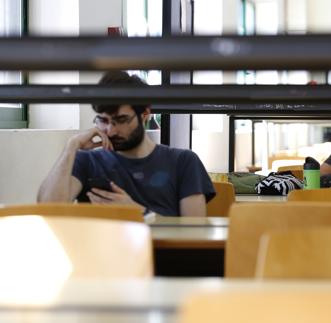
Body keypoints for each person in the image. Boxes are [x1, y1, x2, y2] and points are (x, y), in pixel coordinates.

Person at [38, 71, 215, 216]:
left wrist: (138, 213)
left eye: (121, 120)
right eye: (103, 120)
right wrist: (71, 146)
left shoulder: (183, 162)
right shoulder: (86, 161)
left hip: (161, 258)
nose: (111, 131)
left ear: (145, 115)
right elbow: (48, 210)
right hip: (101, 257)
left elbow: (194, 232)